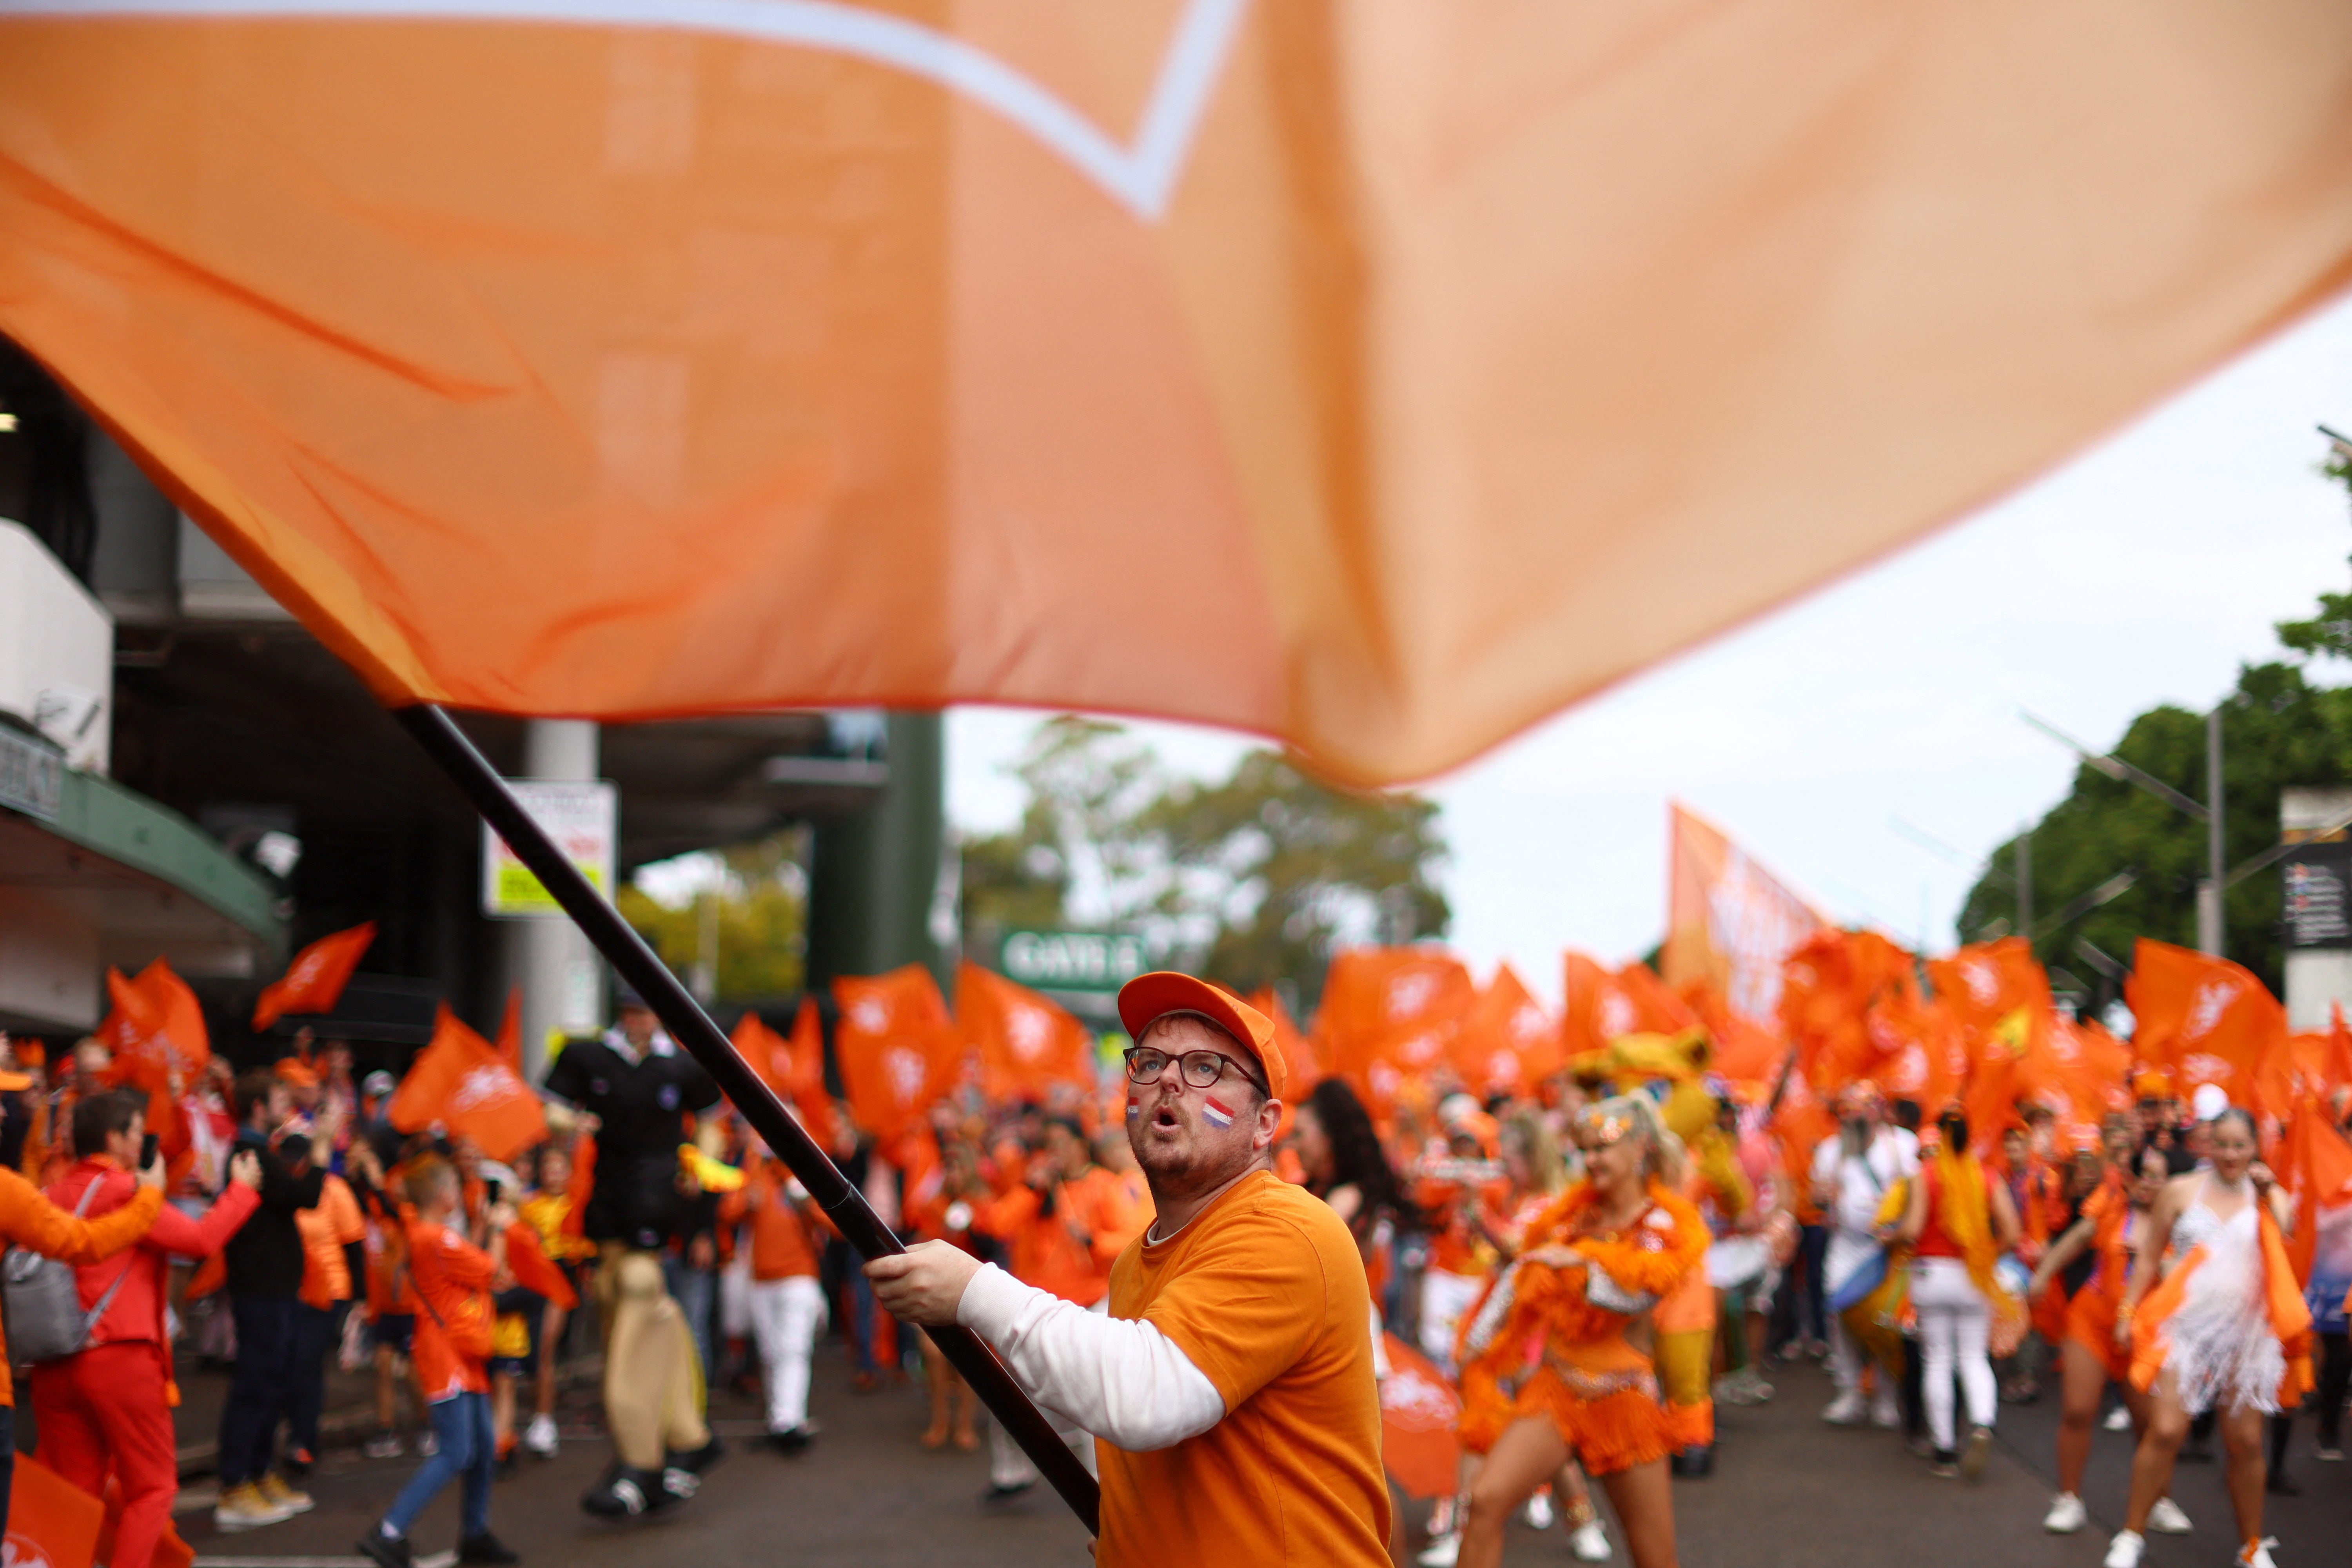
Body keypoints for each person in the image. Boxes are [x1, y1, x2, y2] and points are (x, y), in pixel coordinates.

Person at [867, 972, 1391, 1567]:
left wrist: (975, 1290)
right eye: (1148, 1061)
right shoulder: (1135, 1262)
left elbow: (1146, 1394)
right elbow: (1082, 1399)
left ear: (1266, 1124)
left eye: (1205, 1068)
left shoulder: (1288, 1229)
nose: (1167, 1077)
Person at [1450, 1096, 1707, 1568]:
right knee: (1484, 1501)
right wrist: (1479, 1344)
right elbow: (1522, 1274)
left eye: (1602, 1148)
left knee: (1655, 1558)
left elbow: (1637, 1295)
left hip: (1623, 1401)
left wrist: (1582, 1268)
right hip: (1556, 1392)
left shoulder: (1662, 1224)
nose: (1590, 1161)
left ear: (1639, 1148)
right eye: (1583, 1149)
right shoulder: (1572, 1217)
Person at [30, 1091, 249, 1568]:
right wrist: (243, 1190)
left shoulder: (49, 1191)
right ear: (114, 1139)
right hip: (119, 1356)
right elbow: (200, 1239)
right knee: (152, 1488)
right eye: (135, 1131)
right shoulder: (128, 1192)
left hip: (51, 1359)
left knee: (75, 1496)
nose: (142, 1141)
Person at [540, 992, 725, 1516]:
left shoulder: (681, 1065)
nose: (639, 1021)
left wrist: (701, 1168)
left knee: (641, 1304)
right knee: (622, 1308)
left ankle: (639, 1458)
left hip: (655, 1198)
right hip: (606, 1203)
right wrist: (565, 1125)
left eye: (647, 1011)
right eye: (631, 1011)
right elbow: (551, 1105)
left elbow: (712, 1121)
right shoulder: (590, 1056)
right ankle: (687, 1436)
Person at [2104, 1107, 2307, 1568]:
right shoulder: (2180, 1191)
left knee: (2247, 1443)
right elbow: (2151, 1256)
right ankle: (2131, 1536)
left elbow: (2288, 1227)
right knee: (2167, 1429)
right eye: (2223, 1144)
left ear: (2256, 1147)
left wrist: (2266, 1191)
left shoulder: (2266, 1195)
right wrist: (2127, 1312)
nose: (2231, 1154)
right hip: (2187, 1328)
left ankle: (2251, 1547)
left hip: (2246, 1333)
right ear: (2207, 1145)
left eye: (2241, 1145)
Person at [969, 1112, 1145, 1503]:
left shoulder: (1104, 1185)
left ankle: (1102, 1484)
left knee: (1092, 1393)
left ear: (1081, 1144)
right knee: (1010, 1389)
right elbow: (996, 1224)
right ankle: (1012, 1472)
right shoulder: (1037, 1187)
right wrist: (1032, 1188)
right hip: (1038, 1303)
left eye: (1062, 1142)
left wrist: (1093, 1239)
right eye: (1050, 1144)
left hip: (1090, 1302)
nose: (1057, 1152)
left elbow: (1134, 1238)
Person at [358, 1158, 520, 1568]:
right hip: (446, 1354)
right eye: (453, 1186)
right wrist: (500, 1226)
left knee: (482, 1448)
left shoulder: (432, 1235)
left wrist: (485, 1229)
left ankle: (475, 1533)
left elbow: (470, 1268)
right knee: (457, 1450)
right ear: (442, 1195)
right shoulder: (433, 1236)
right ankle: (389, 1530)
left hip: (461, 1349)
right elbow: (489, 1270)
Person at [2028, 1144, 2193, 1537]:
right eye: (2141, 1173)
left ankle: (2159, 1500)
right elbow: (2077, 1238)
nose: (2146, 1182)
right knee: (2078, 1409)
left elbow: (2184, 1280)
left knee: (2153, 1426)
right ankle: (2069, 1498)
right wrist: (2042, 1273)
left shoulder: (2185, 1224)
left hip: (2147, 1334)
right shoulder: (2112, 1206)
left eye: (2156, 1175)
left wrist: (2155, 1257)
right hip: (2093, 1322)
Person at [216, 1068, 328, 1529]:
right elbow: (306, 1192)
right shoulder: (250, 1154)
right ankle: (234, 1485)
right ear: (259, 1105)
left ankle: (259, 1474)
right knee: (256, 1384)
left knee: (273, 1381)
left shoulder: (263, 1152)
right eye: (280, 1095)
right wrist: (321, 1145)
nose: (288, 1103)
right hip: (259, 1288)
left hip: (275, 1287)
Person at [1888, 1106, 2020, 1479]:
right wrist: (1986, 1254)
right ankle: (1981, 1423)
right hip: (1973, 1277)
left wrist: (1892, 1235)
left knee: (1938, 1360)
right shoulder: (1988, 1177)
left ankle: (1944, 1449)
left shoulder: (1924, 1176)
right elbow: (2012, 1230)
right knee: (1974, 1357)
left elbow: (1912, 1229)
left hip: (1932, 1274)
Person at [1811, 1081, 1918, 1428]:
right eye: (1850, 1111)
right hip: (1846, 1246)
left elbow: (1919, 1193)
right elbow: (1817, 1197)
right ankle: (1851, 1392)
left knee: (1885, 1321)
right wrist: (1822, 1199)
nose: (1857, 1118)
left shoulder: (1902, 1145)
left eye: (1864, 1109)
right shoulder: (1830, 1150)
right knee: (1839, 1313)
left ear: (1879, 1111)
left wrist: (1900, 1227)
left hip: (1890, 1248)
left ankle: (1886, 1397)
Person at [728, 1142, 832, 1451]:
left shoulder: (810, 1171)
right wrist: (747, 1202)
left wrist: (806, 1203)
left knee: (793, 1349)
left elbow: (835, 1222)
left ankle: (789, 1421)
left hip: (799, 1276)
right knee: (771, 1352)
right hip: (762, 1278)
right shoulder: (754, 1169)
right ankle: (780, 1420)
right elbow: (728, 1211)